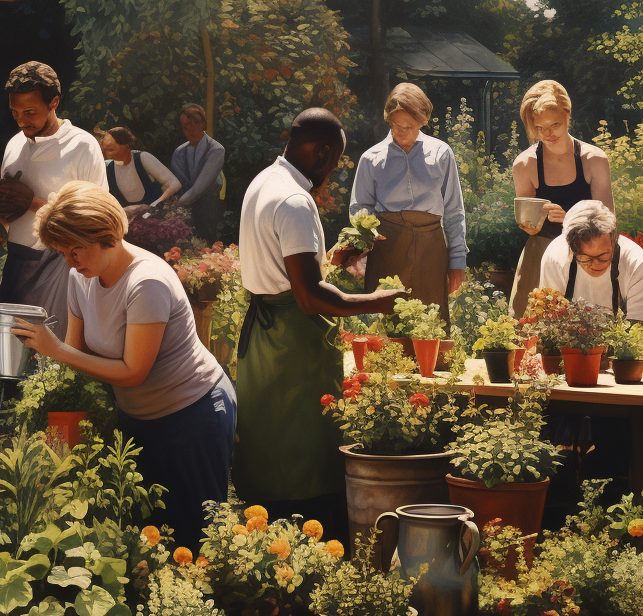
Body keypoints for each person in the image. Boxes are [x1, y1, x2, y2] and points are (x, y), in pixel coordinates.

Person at [10, 181, 235, 550]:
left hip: (193, 413)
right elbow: (76, 352)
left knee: (197, 537)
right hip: (139, 418)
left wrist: (56, 350)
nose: (70, 260)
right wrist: (27, 343)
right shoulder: (79, 278)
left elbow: (133, 372)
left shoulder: (147, 281)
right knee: (150, 536)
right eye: (62, 252)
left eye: (76, 249)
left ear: (108, 235)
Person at [235, 108, 403, 532]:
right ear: (323, 151)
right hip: (294, 345)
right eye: (336, 160)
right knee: (305, 453)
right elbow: (309, 297)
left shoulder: (263, 182)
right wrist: (376, 300)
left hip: (264, 336)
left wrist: (332, 263)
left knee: (268, 447)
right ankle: (312, 550)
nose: (335, 170)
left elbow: (287, 273)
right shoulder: (294, 201)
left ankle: (263, 545)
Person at [0, 62, 107, 339]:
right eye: (15, 112)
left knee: (51, 357)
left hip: (61, 265)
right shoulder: (15, 144)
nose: (21, 121)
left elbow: (99, 219)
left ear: (54, 102)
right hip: (16, 262)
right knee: (10, 354)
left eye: (29, 112)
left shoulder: (83, 146)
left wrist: (33, 203)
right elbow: (9, 212)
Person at [350, 82, 466, 322]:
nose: (400, 132)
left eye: (409, 126)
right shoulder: (371, 159)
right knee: (385, 322)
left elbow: (454, 211)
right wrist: (366, 232)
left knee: (430, 322)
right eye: (395, 125)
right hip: (387, 247)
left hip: (431, 248)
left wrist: (457, 261)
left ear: (422, 123)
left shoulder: (441, 154)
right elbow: (359, 207)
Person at [510, 80, 613, 318]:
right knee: (531, 330)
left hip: (588, 253)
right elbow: (529, 226)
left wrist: (571, 220)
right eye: (539, 128)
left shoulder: (594, 159)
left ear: (568, 116)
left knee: (588, 330)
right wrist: (529, 224)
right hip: (542, 252)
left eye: (554, 124)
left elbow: (608, 222)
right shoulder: (524, 165)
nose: (547, 134)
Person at [539, 200, 643, 369]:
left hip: (621, 365)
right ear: (571, 247)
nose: (595, 265)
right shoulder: (555, 258)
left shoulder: (636, 263)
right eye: (585, 258)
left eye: (603, 258)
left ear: (614, 240)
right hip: (571, 363)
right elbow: (549, 327)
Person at [170, 104, 225, 244]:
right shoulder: (179, 152)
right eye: (187, 125)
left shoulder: (216, 150)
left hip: (209, 203)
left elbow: (201, 186)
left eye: (196, 123)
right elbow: (178, 183)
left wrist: (175, 205)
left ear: (203, 124)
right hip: (185, 206)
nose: (192, 128)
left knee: (208, 241)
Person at [101, 126, 181, 215]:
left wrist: (153, 205)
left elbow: (174, 183)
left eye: (111, 150)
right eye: (105, 151)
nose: (107, 155)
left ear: (125, 144)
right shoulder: (108, 167)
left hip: (153, 215)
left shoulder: (142, 158)